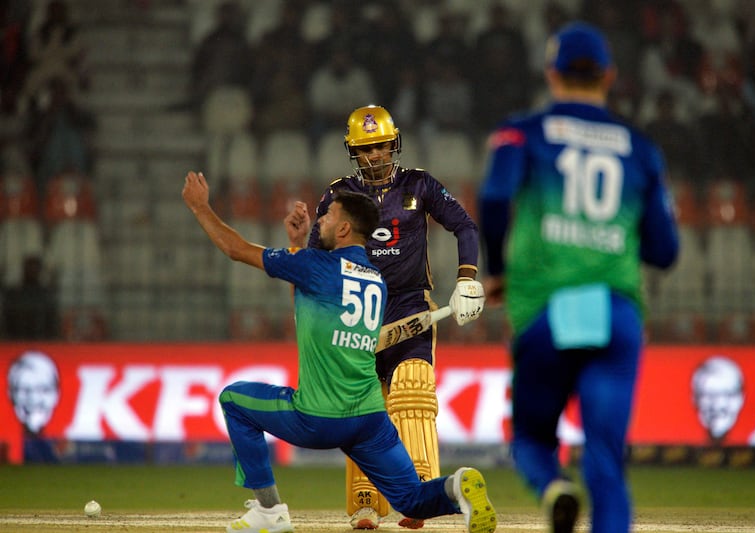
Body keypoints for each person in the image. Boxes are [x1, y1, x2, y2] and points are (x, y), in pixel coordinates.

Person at [181, 171, 496, 533]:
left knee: (234, 399)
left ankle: (269, 512)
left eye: (328, 216)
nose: (322, 221)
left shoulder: (317, 266)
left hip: (317, 418)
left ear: (344, 229)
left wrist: (200, 208)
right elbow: (305, 305)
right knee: (410, 498)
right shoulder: (375, 280)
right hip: (368, 421)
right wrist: (298, 243)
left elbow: (236, 250)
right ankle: (456, 487)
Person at [478, 22, 679, 533]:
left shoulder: (521, 132)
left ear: (552, 73)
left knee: (530, 439)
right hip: (615, 313)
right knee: (606, 459)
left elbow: (496, 198)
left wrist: (499, 272)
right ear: (609, 76)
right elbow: (665, 250)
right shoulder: (641, 149)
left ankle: (553, 487)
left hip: (548, 309)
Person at [303, 104, 485, 530]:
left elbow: (465, 227)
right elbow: (315, 258)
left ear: (394, 144)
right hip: (358, 309)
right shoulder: (338, 196)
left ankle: (421, 492)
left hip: (409, 303)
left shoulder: (419, 185)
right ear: (353, 151)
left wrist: (467, 280)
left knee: (413, 387)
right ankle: (365, 501)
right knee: (360, 404)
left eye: (382, 146)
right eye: (367, 149)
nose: (376, 157)